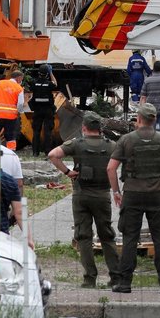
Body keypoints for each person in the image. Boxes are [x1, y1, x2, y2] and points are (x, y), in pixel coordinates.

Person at [107, 102, 160, 293]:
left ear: (138, 119)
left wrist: (116, 192)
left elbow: (110, 168)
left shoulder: (126, 140)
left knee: (130, 238)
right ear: (155, 119)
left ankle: (125, 283)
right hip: (157, 194)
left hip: (132, 194)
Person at [48, 111, 120, 290]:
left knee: (84, 236)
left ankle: (90, 278)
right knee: (107, 235)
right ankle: (115, 276)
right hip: (103, 195)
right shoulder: (111, 146)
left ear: (84, 128)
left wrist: (68, 172)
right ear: (100, 128)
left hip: (81, 194)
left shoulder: (76, 144)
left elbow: (53, 155)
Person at [0, 69, 25, 149]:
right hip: (11, 117)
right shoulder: (19, 88)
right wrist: (19, 112)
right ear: (18, 78)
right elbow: (21, 103)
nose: (21, 81)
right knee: (10, 136)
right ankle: (11, 153)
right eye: (22, 79)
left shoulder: (0, 83)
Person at [27, 64, 57, 156]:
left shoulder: (34, 83)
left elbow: (30, 84)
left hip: (37, 110)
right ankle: (47, 151)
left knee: (36, 131)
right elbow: (55, 83)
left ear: (39, 73)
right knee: (48, 131)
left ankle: (35, 152)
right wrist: (51, 72)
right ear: (47, 74)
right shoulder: (49, 84)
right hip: (48, 110)